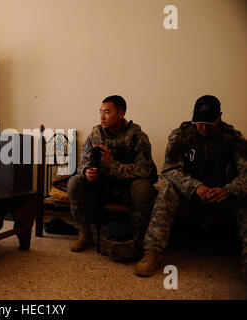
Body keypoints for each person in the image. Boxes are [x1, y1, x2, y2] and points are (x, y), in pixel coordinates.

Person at [135, 95, 246, 281]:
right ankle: (153, 251)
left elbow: (245, 174)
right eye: (199, 122)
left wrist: (229, 190)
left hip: (223, 195)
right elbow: (169, 168)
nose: (203, 128)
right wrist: (195, 187)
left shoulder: (233, 138)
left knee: (245, 195)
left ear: (220, 116)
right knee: (167, 188)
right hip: (191, 195)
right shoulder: (182, 134)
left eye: (209, 123)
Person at [67, 95, 158, 252]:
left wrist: (112, 166)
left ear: (120, 114)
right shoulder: (95, 135)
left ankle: (138, 238)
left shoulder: (138, 136)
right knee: (74, 182)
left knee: (143, 188)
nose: (102, 117)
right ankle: (85, 233)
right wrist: (87, 172)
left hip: (127, 188)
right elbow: (83, 163)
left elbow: (145, 170)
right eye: (100, 112)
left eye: (107, 112)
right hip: (102, 187)